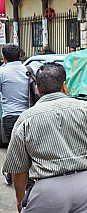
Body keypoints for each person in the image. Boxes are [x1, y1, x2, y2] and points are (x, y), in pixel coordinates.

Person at [2, 63, 87, 213]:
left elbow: (19, 168)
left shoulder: (25, 119)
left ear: (37, 89)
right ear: (64, 86)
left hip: (47, 190)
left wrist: (20, 198)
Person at [0, 43, 35, 187]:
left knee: (14, 149)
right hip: (30, 115)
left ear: (4, 57)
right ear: (20, 55)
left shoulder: (2, 72)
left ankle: (22, 180)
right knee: (28, 149)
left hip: (10, 117)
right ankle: (15, 176)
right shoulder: (30, 69)